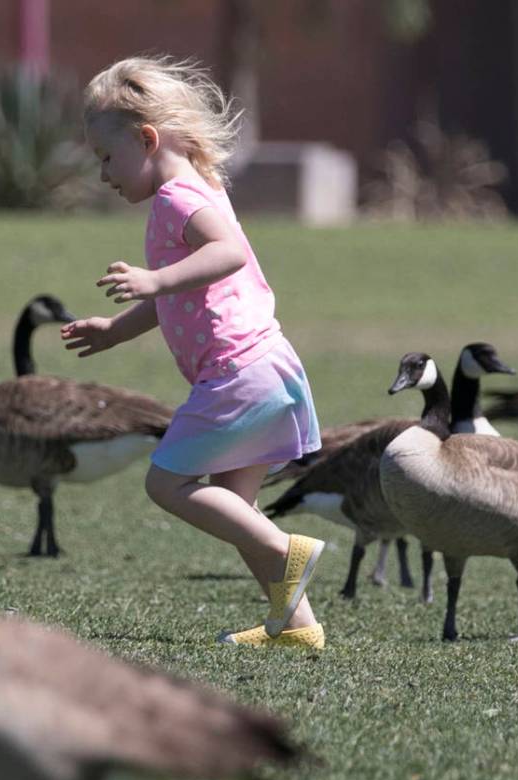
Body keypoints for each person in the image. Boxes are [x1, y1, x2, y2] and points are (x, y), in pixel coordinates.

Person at [61, 55, 325, 649]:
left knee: (166, 483)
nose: (103, 174)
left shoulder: (177, 200)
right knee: (236, 506)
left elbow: (227, 253)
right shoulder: (199, 190)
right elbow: (181, 291)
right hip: (265, 366)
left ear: (147, 139)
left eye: (106, 158)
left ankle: (287, 552)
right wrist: (115, 330)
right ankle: (298, 628)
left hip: (238, 373)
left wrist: (153, 280)